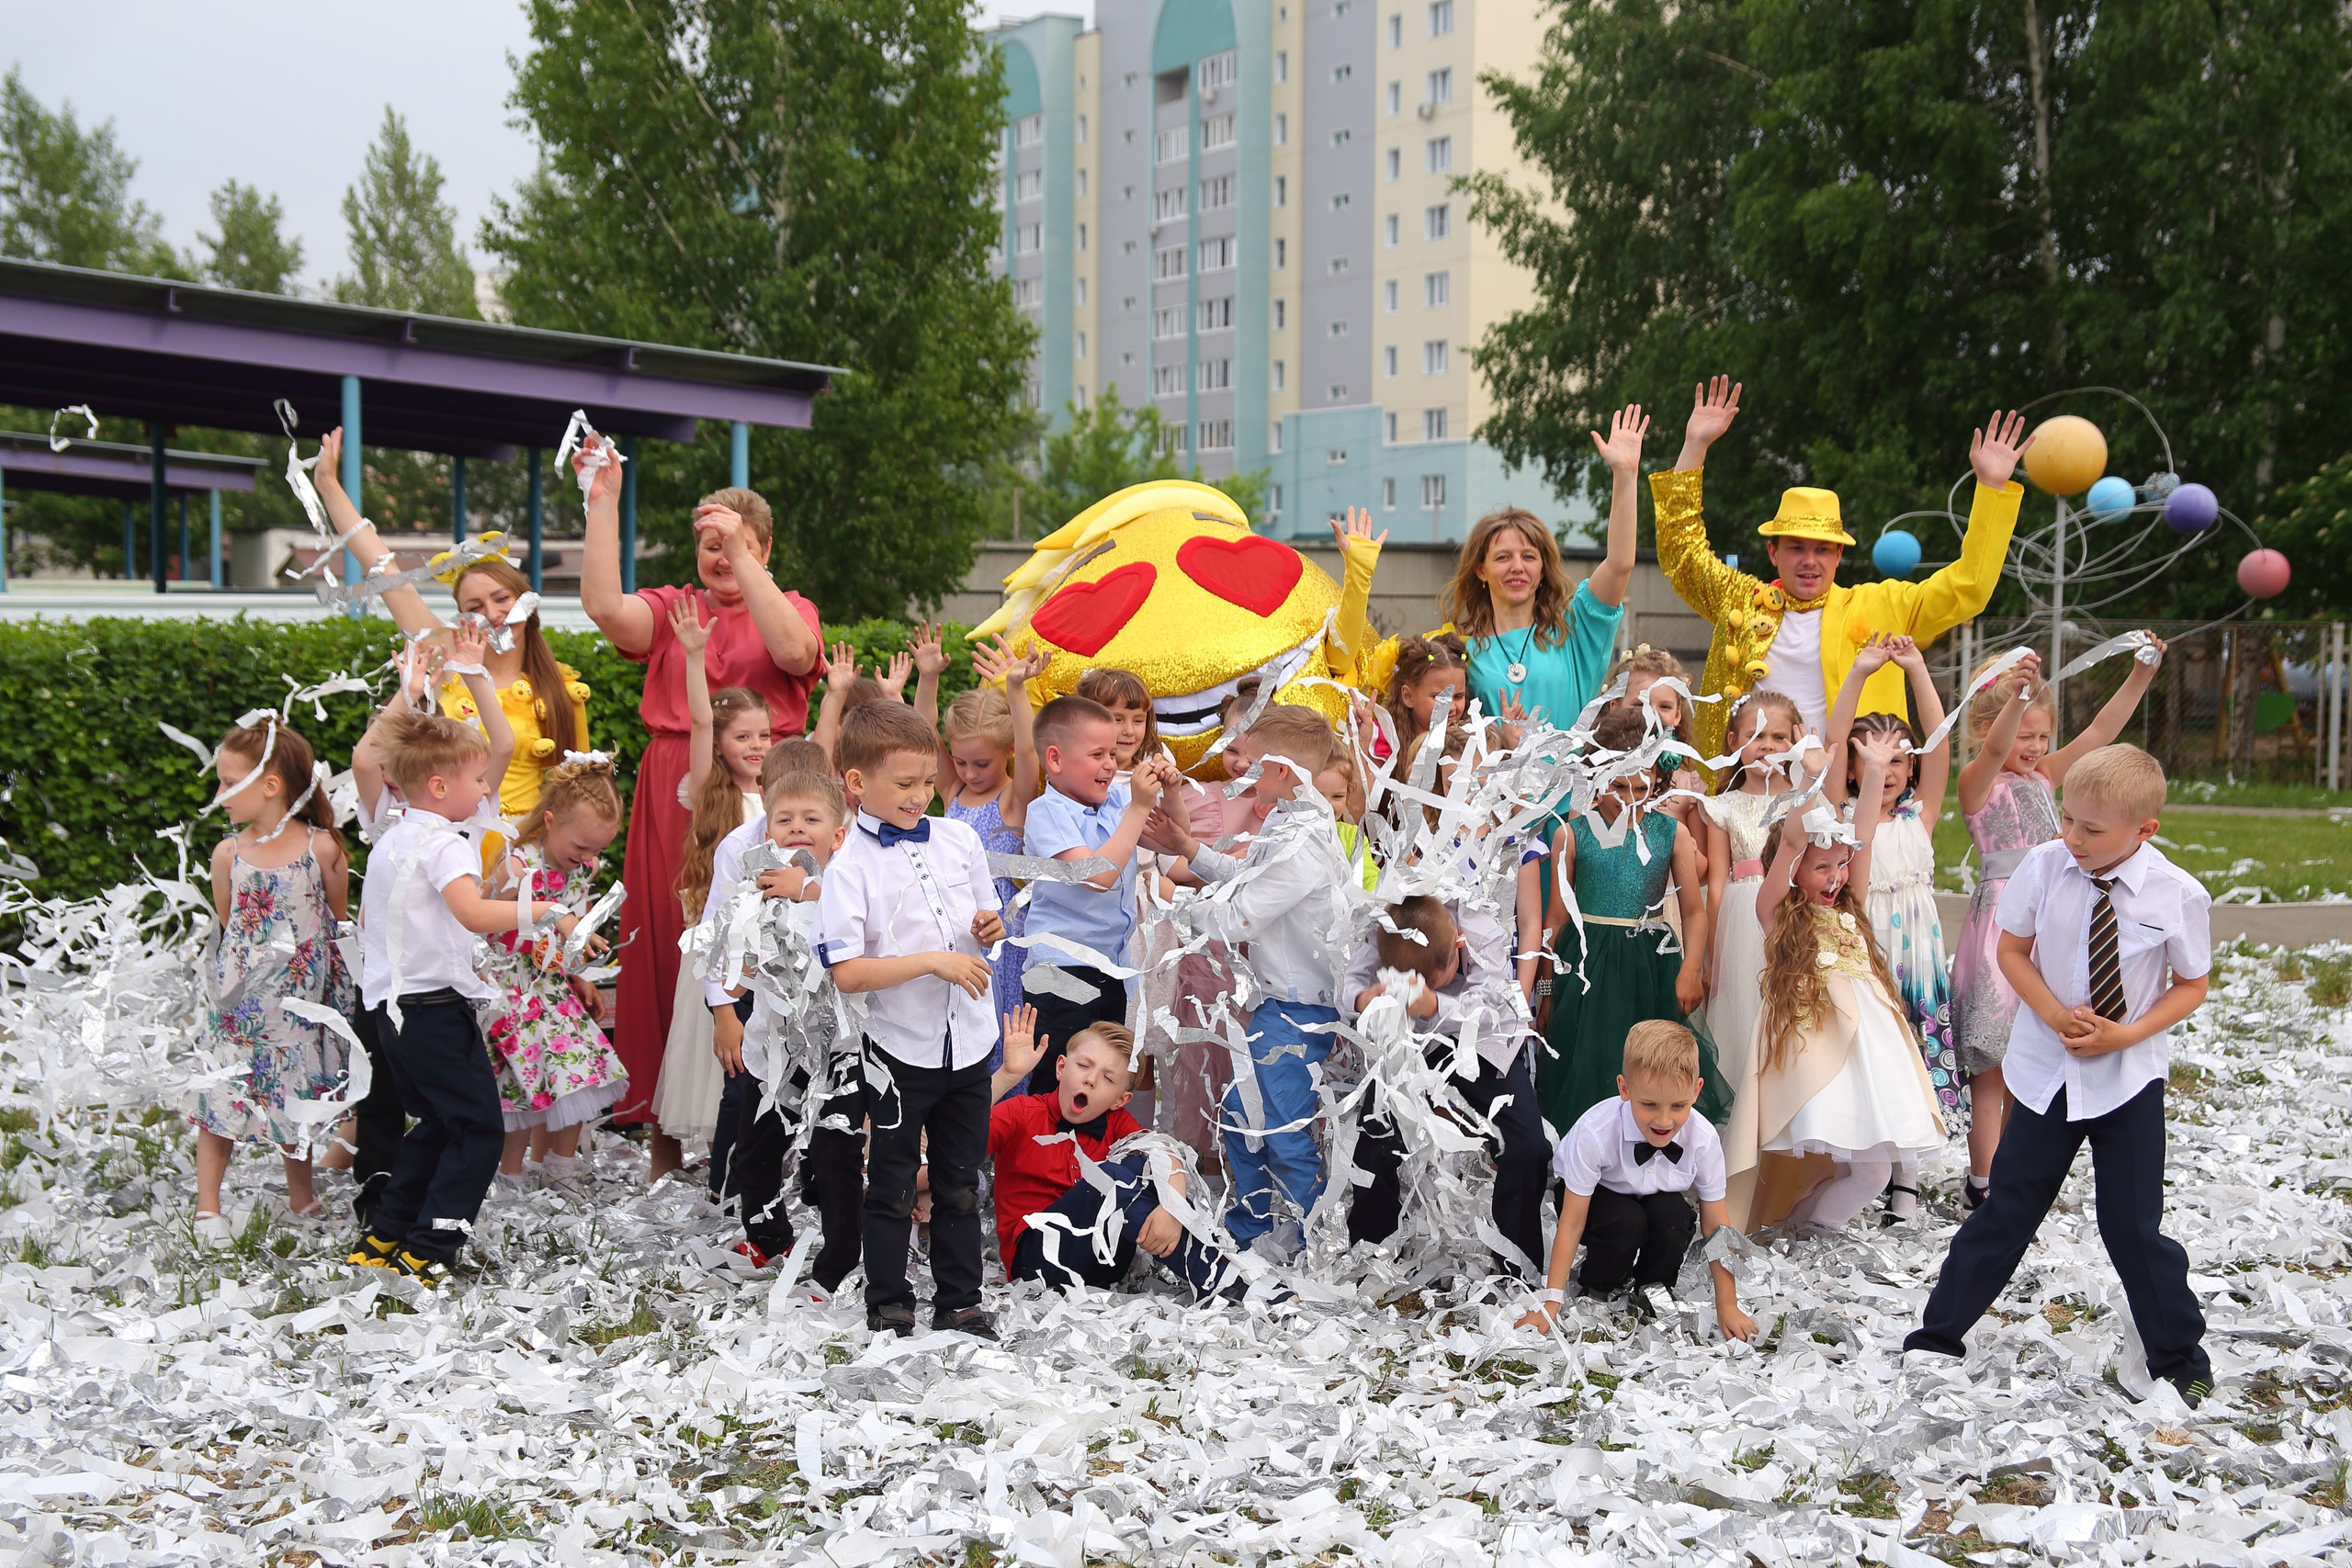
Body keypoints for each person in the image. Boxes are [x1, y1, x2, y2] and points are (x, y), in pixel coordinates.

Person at [1905, 744, 2213, 1407]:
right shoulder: (2045, 866)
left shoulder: (2178, 893)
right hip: (2045, 1074)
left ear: (2144, 831)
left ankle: (2180, 1355)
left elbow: (2192, 983)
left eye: (2091, 829)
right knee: (2008, 1207)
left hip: (2128, 1079)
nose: (2072, 836)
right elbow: (2012, 950)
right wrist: (2049, 1011)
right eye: (2067, 819)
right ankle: (1936, 1336)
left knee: (2131, 1224)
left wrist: (2127, 1033)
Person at [577, 441, 822, 1161]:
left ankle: (768, 1120)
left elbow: (798, 655)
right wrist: (603, 500)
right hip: (677, 780)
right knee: (667, 944)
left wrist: (744, 558)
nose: (717, 557)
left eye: (735, 545)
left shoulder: (789, 603)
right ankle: (664, 1125)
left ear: (764, 547)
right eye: (707, 545)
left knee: (769, 944)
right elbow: (602, 606)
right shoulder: (674, 608)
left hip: (767, 782)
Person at [1649, 378, 2030, 762]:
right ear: (1772, 552)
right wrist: (1694, 445)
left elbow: (1970, 586)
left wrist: (1992, 489)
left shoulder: (1882, 605)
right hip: (1745, 792)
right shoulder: (1738, 601)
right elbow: (1681, 552)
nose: (1809, 560)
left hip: (1846, 798)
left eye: (1822, 550)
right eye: (1796, 548)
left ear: (1837, 557)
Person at [347, 712, 586, 1284]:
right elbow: (474, 914)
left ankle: (386, 1233)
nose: (485, 790)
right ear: (438, 786)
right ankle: (431, 1247)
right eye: (478, 779)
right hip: (432, 1010)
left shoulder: (390, 836)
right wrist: (550, 913)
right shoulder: (442, 845)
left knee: (436, 1120)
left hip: (388, 1012)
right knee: (478, 1127)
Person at [816, 700, 1006, 1338]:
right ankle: (889, 1302)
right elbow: (846, 972)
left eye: (929, 780)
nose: (921, 794)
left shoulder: (959, 838)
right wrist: (932, 961)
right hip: (900, 1048)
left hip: (970, 1042)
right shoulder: (849, 867)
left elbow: (987, 926)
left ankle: (961, 1299)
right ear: (857, 782)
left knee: (960, 1177)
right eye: (905, 783)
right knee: (893, 1180)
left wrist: (990, 928)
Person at [1951, 641, 2164, 1205]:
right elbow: (1996, 747)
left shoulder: (2046, 776)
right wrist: (2018, 697)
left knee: (2032, 1060)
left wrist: (2140, 676)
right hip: (2002, 922)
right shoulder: (1979, 783)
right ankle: (1983, 1183)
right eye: (2026, 735)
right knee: (1992, 1069)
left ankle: (2019, 1178)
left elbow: (2100, 733)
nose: (2036, 747)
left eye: (2042, 736)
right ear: (1987, 727)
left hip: (2049, 920)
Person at [1147, 704, 1353, 1255]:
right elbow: (1246, 875)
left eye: (1257, 765)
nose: (1247, 775)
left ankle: (1310, 1242)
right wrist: (1191, 850)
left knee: (1283, 1129)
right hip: (1275, 1007)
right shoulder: (1294, 820)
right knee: (1241, 1118)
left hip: (1297, 1011)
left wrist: (1167, 904)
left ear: (1284, 771)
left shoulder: (1304, 841)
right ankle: (1253, 1228)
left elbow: (1240, 916)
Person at [1721, 734, 1945, 1235]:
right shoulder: (1777, 913)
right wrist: (1807, 780)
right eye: (1822, 867)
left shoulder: (1849, 910)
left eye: (1841, 865)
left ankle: (1801, 1230)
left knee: (1872, 1169)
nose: (1836, 877)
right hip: (1817, 1054)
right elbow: (1796, 838)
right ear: (1794, 868)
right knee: (1865, 1165)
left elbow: (1861, 829)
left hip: (1869, 1052)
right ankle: (1804, 1234)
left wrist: (1872, 773)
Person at [313, 427, 594, 818]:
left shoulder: (561, 690)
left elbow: (579, 789)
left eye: (501, 600)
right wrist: (328, 486)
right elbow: (382, 567)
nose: (492, 615)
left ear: (526, 604)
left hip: (527, 863)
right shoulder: (442, 655)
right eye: (474, 606)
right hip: (448, 850)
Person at [187, 715, 355, 1244]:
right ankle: (207, 1207)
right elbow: (228, 919)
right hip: (240, 1009)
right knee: (222, 1101)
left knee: (294, 1101)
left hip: (299, 1009)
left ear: (270, 785)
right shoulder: (229, 854)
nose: (218, 793)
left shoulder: (322, 849)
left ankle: (300, 1195)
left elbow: (335, 921)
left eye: (225, 781)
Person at [1536, 706, 1721, 1136]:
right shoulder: (1572, 834)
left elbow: (1693, 910)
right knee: (1591, 1063)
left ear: (1657, 780)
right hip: (1587, 969)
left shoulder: (1670, 833)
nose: (1628, 798)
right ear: (1594, 778)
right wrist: (1547, 992)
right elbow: (1555, 918)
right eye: (1617, 786)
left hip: (1649, 967)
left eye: (1640, 787)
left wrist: (1691, 968)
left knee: (1653, 1063)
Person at [1343, 895, 1547, 1278]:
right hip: (1415, 1044)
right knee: (1376, 1133)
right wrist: (1366, 996)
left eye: (1445, 975)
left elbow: (1495, 1007)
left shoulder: (1483, 930)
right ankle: (1371, 1255)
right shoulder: (1384, 930)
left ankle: (1519, 1268)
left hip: (1486, 1043)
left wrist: (1434, 1003)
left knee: (1528, 1145)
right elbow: (1351, 986)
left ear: (1458, 944)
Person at [1515, 1021, 1756, 1340]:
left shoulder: (1704, 1138)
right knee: (1626, 1221)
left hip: (1658, 1198)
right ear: (1624, 1089)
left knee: (1676, 1217)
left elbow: (1716, 1224)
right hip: (1595, 1202)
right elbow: (1572, 1222)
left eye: (1679, 1106)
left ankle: (1652, 1287)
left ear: (1696, 1091)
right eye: (1649, 1104)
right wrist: (1551, 1301)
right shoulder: (1595, 1133)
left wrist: (1728, 1303)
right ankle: (1600, 1283)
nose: (1664, 1120)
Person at [1826, 636, 1956, 1221]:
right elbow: (1831, 744)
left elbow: (1942, 740)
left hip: (1917, 955)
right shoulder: (1841, 814)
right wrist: (1856, 674)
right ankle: (1863, 1167)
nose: (1891, 769)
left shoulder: (1921, 812)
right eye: (1874, 758)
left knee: (1915, 1061)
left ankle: (1906, 1179)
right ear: (1853, 766)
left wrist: (1917, 669)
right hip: (1863, 949)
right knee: (1872, 1059)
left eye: (1900, 758)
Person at [718, 769, 864, 1289]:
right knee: (756, 1150)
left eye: (811, 819)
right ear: (768, 835)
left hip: (838, 1052)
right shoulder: (753, 896)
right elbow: (734, 971)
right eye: (785, 819)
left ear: (838, 835)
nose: (798, 828)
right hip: (774, 1049)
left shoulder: (846, 886)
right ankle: (767, 1237)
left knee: (835, 1153)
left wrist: (807, 889)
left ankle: (840, 1259)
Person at [988, 1014, 1233, 1297]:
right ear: (1061, 1068)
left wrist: (1172, 1209)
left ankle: (1224, 1278)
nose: (1090, 1080)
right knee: (1109, 1177)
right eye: (1083, 1066)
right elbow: (957, 1137)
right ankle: (1226, 1282)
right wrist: (1007, 1075)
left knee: (1145, 1164)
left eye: (1107, 1078)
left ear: (1120, 1100)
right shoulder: (1021, 1112)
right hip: (1039, 1265)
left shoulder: (1116, 1122)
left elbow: (1163, 1152)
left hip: (1104, 1264)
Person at [657, 600, 774, 1181]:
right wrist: (696, 657)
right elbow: (700, 723)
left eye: (765, 735)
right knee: (726, 1057)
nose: (757, 746)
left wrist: (833, 696)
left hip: (771, 949)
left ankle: (758, 1161)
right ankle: (723, 1168)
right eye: (744, 736)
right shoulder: (710, 792)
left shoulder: (782, 797)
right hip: (722, 950)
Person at [1432, 405, 1644, 728]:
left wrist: (1625, 475)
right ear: (1480, 570)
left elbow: (1619, 564)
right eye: (1503, 557)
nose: (1517, 567)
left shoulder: (1575, 631)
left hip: (1571, 780)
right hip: (1489, 780)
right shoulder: (1461, 652)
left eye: (1529, 557)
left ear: (1543, 570)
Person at [481, 758, 628, 1191]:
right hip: (510, 987)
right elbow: (482, 922)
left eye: (597, 850)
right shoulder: (518, 867)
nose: (587, 858)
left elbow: (572, 933)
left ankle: (561, 1165)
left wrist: (580, 976)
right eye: (580, 846)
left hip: (551, 986)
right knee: (522, 1084)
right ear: (549, 821)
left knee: (583, 1069)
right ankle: (509, 1174)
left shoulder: (583, 871)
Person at [1020, 694, 1169, 1092]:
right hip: (1060, 971)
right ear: (1055, 760)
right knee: (1060, 1075)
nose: (1111, 764)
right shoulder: (1046, 812)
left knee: (1102, 1076)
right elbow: (1094, 876)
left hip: (1111, 967)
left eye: (1114, 753)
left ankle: (1085, 1153)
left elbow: (1170, 842)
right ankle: (1043, 1152)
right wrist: (1138, 809)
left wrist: (1168, 788)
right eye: (1098, 753)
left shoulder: (1118, 800)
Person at [1699, 691, 1804, 1098]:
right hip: (1741, 923)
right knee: (1745, 1014)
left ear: (1795, 742)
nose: (1768, 747)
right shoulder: (1722, 806)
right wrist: (1715, 955)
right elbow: (1718, 884)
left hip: (1792, 916)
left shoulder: (1803, 799)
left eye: (1779, 738)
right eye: (1756, 735)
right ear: (1733, 741)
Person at [949, 636, 1048, 1036]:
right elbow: (921, 735)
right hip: (957, 930)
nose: (970, 773)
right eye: (960, 761)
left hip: (1002, 938)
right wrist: (927, 679)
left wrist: (1015, 688)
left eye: (981, 763)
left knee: (998, 1030)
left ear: (1005, 751)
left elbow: (1030, 754)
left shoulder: (1013, 799)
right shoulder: (950, 792)